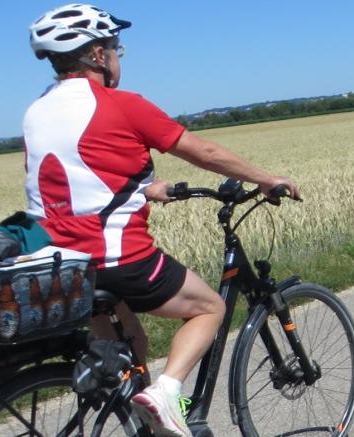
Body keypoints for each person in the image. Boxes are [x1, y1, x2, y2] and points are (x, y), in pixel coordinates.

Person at [24, 5, 298, 436]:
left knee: (131, 349)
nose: (118, 57)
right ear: (98, 55)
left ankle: (145, 426)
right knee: (210, 307)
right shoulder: (122, 104)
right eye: (115, 48)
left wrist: (145, 187)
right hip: (119, 258)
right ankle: (169, 392)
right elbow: (203, 153)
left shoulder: (37, 111)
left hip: (65, 265)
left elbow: (72, 180)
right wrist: (266, 180)